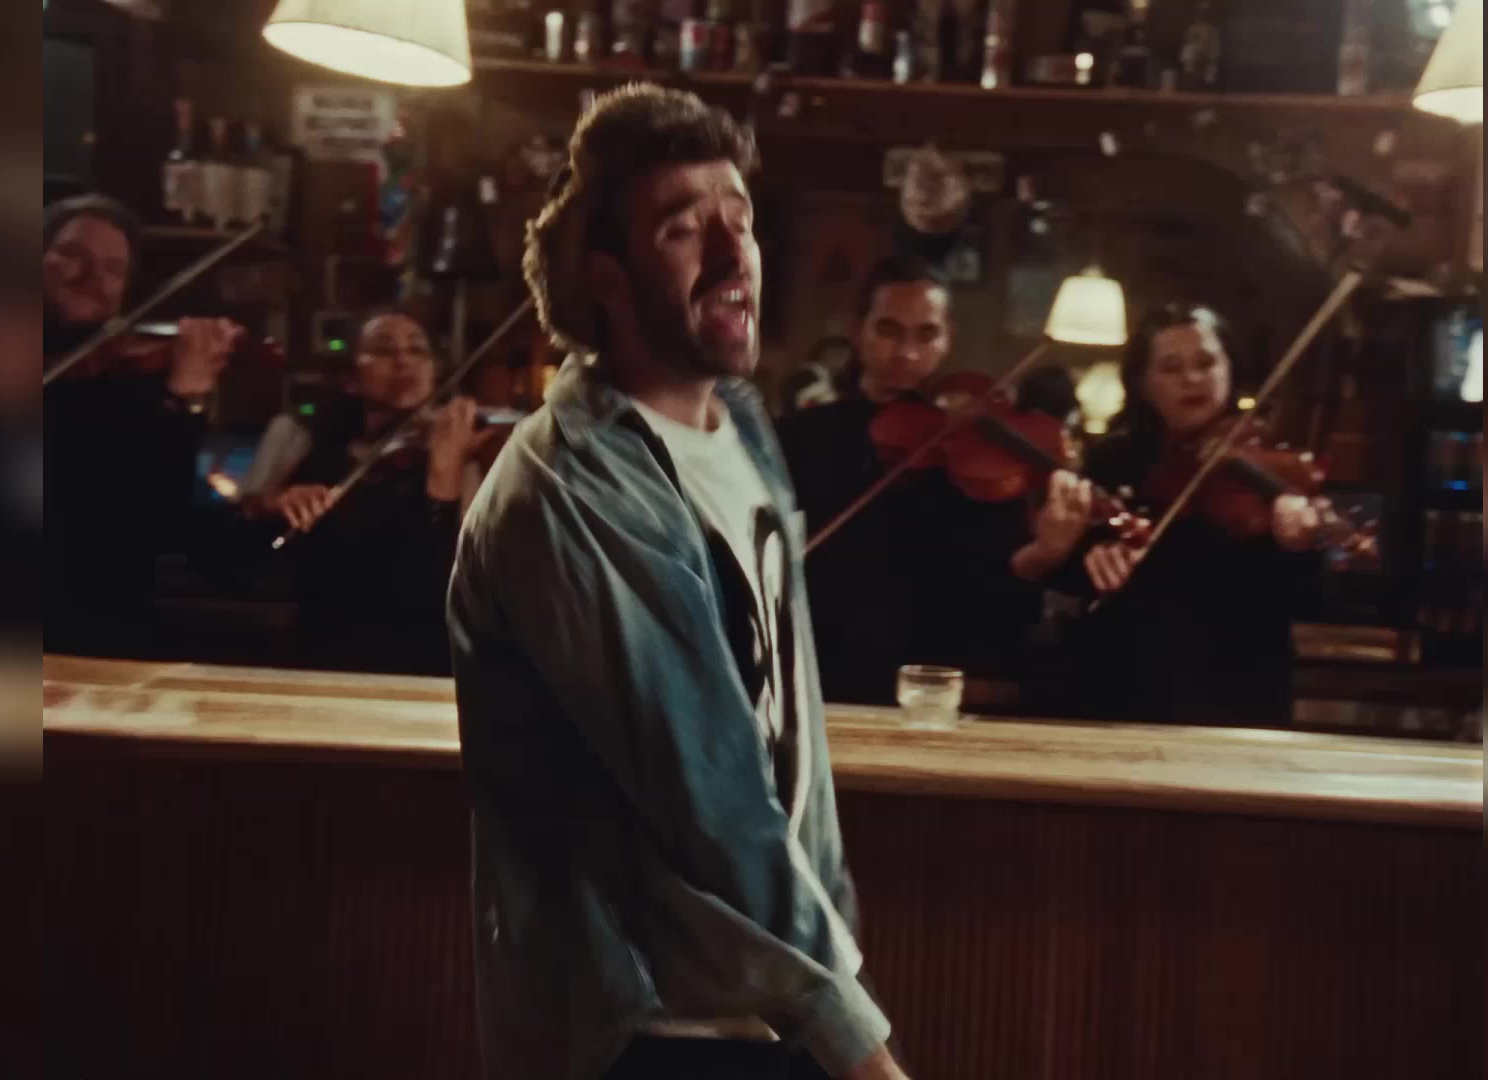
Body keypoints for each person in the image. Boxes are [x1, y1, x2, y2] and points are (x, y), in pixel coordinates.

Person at [448, 84, 907, 1080]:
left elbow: (788, 733)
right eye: (684, 229)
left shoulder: (742, 427)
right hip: (643, 1029)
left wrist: (831, 961)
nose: (734, 253)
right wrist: (861, 1049)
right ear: (605, 278)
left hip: (774, 1002)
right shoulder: (566, 485)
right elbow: (708, 790)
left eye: (740, 218)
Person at [1010, 303, 1329, 726]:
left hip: (1238, 694)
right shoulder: (1110, 463)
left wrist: (1298, 547)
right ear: (1143, 383)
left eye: (1206, 363)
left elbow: (1311, 601)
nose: (1192, 379)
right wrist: (1088, 560)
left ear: (1230, 368)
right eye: (1171, 367)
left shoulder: (1272, 469)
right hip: (1121, 689)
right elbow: (1068, 588)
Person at [777, 256, 1025, 703]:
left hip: (935, 674)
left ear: (948, 339)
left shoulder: (973, 450)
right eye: (889, 331)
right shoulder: (802, 435)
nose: (907, 353)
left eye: (927, 335)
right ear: (858, 331)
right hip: (829, 669)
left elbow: (996, 575)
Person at [241, 309, 494, 675]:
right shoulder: (304, 438)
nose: (403, 361)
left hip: (430, 658)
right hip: (328, 650)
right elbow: (246, 554)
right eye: (383, 350)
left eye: (417, 350)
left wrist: (446, 475)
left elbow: (449, 584)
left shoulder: (464, 445)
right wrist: (274, 503)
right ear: (350, 379)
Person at [42, 194, 238, 658]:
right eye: (72, 255)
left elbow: (159, 520)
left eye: (114, 269)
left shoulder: (138, 384)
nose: (93, 277)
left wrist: (184, 397)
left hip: (92, 635)